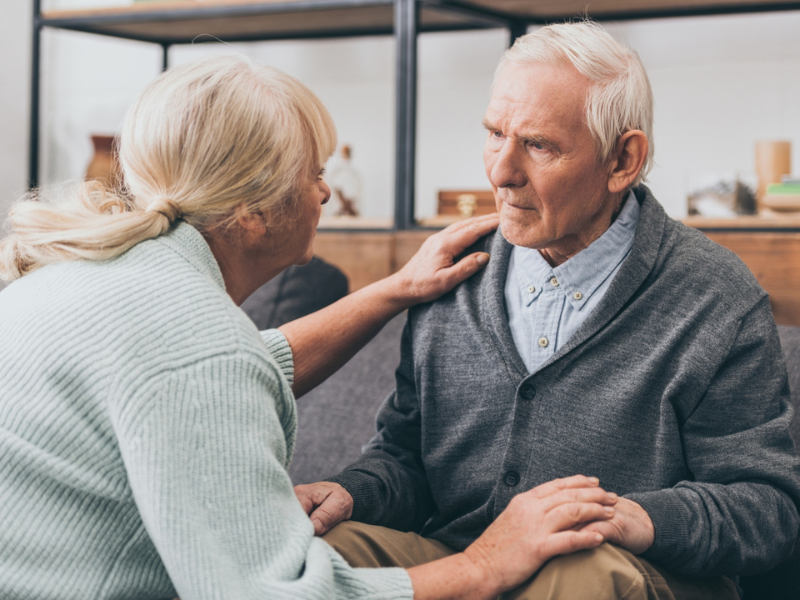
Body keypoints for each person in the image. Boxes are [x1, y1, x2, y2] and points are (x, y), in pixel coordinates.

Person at [0, 54, 624, 600]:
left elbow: (236, 367)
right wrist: (482, 566)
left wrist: (393, 290)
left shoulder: (90, 277)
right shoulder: (199, 350)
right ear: (250, 214)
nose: (327, 192)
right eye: (312, 173)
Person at [296, 22, 800, 599]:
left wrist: (634, 517)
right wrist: (351, 491)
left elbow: (767, 509)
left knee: (578, 569)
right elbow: (406, 458)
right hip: (460, 557)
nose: (500, 172)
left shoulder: (715, 296)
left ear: (622, 160)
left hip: (623, 571)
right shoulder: (452, 272)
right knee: (312, 555)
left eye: (538, 145)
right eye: (493, 134)